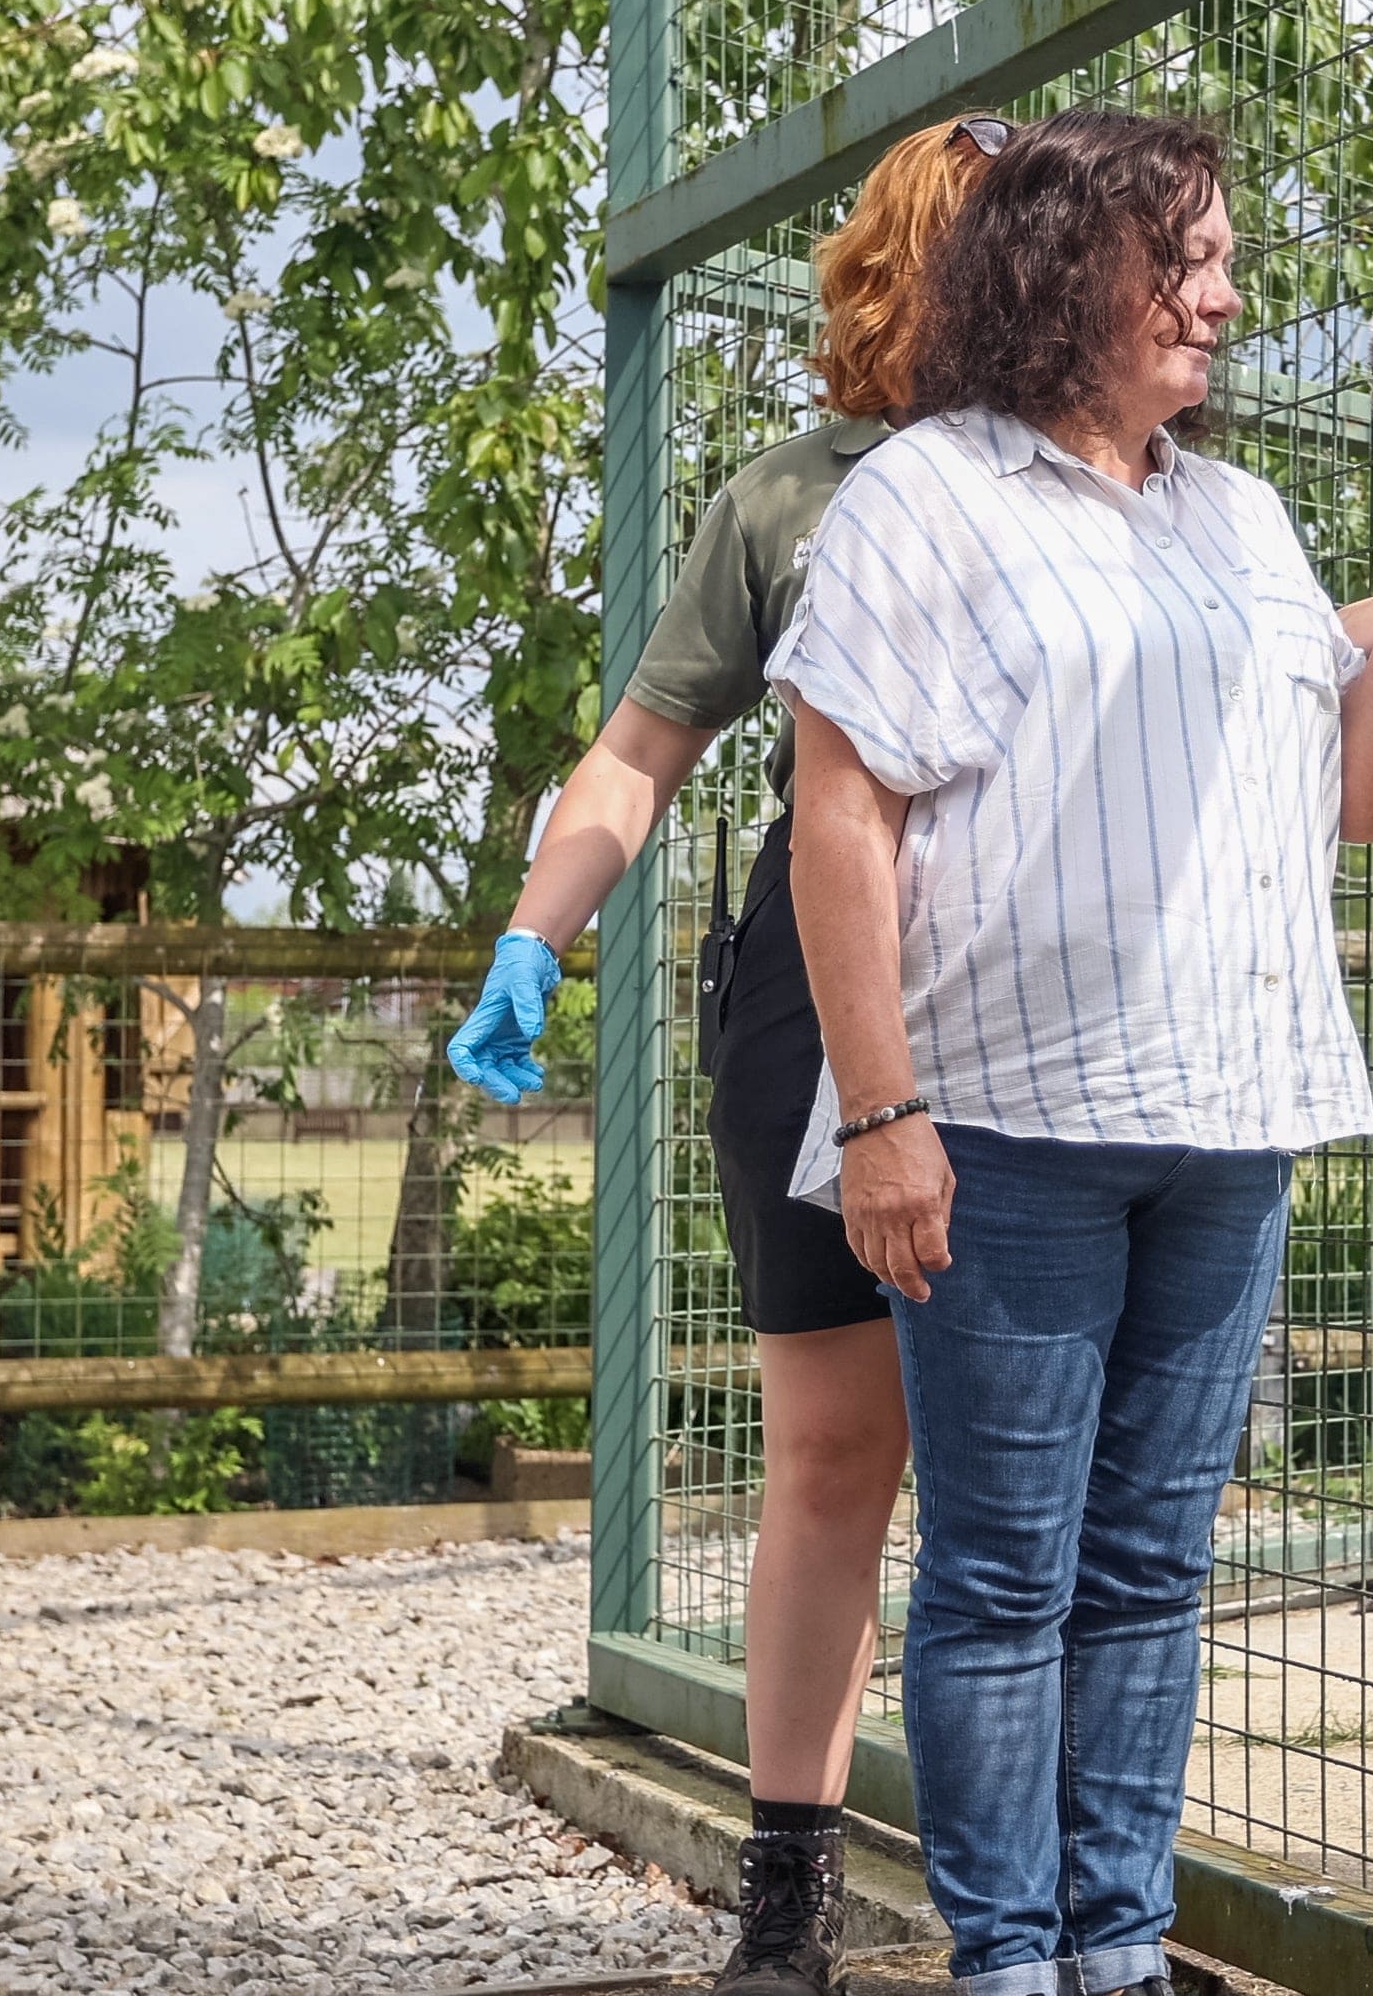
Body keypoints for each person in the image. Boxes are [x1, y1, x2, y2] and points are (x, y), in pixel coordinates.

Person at [769, 109, 1373, 1996]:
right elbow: (839, 818)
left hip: (1230, 1116)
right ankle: (1009, 1959)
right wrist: (881, 1115)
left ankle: (1116, 1950)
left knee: (1147, 1576)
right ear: (1065, 279)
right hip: (1005, 1121)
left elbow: (1353, 793)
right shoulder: (924, 500)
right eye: (1184, 258)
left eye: (1217, 256)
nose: (1224, 291)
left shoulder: (1236, 516)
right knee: (999, 1579)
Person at [445, 117, 1000, 1996]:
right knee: (838, 1448)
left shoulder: (1120, 477)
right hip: (813, 991)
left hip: (1050, 998)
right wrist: (539, 928)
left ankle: (1068, 1897)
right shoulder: (787, 499)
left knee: (1039, 1470)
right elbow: (635, 755)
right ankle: (790, 1897)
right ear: (909, 272)